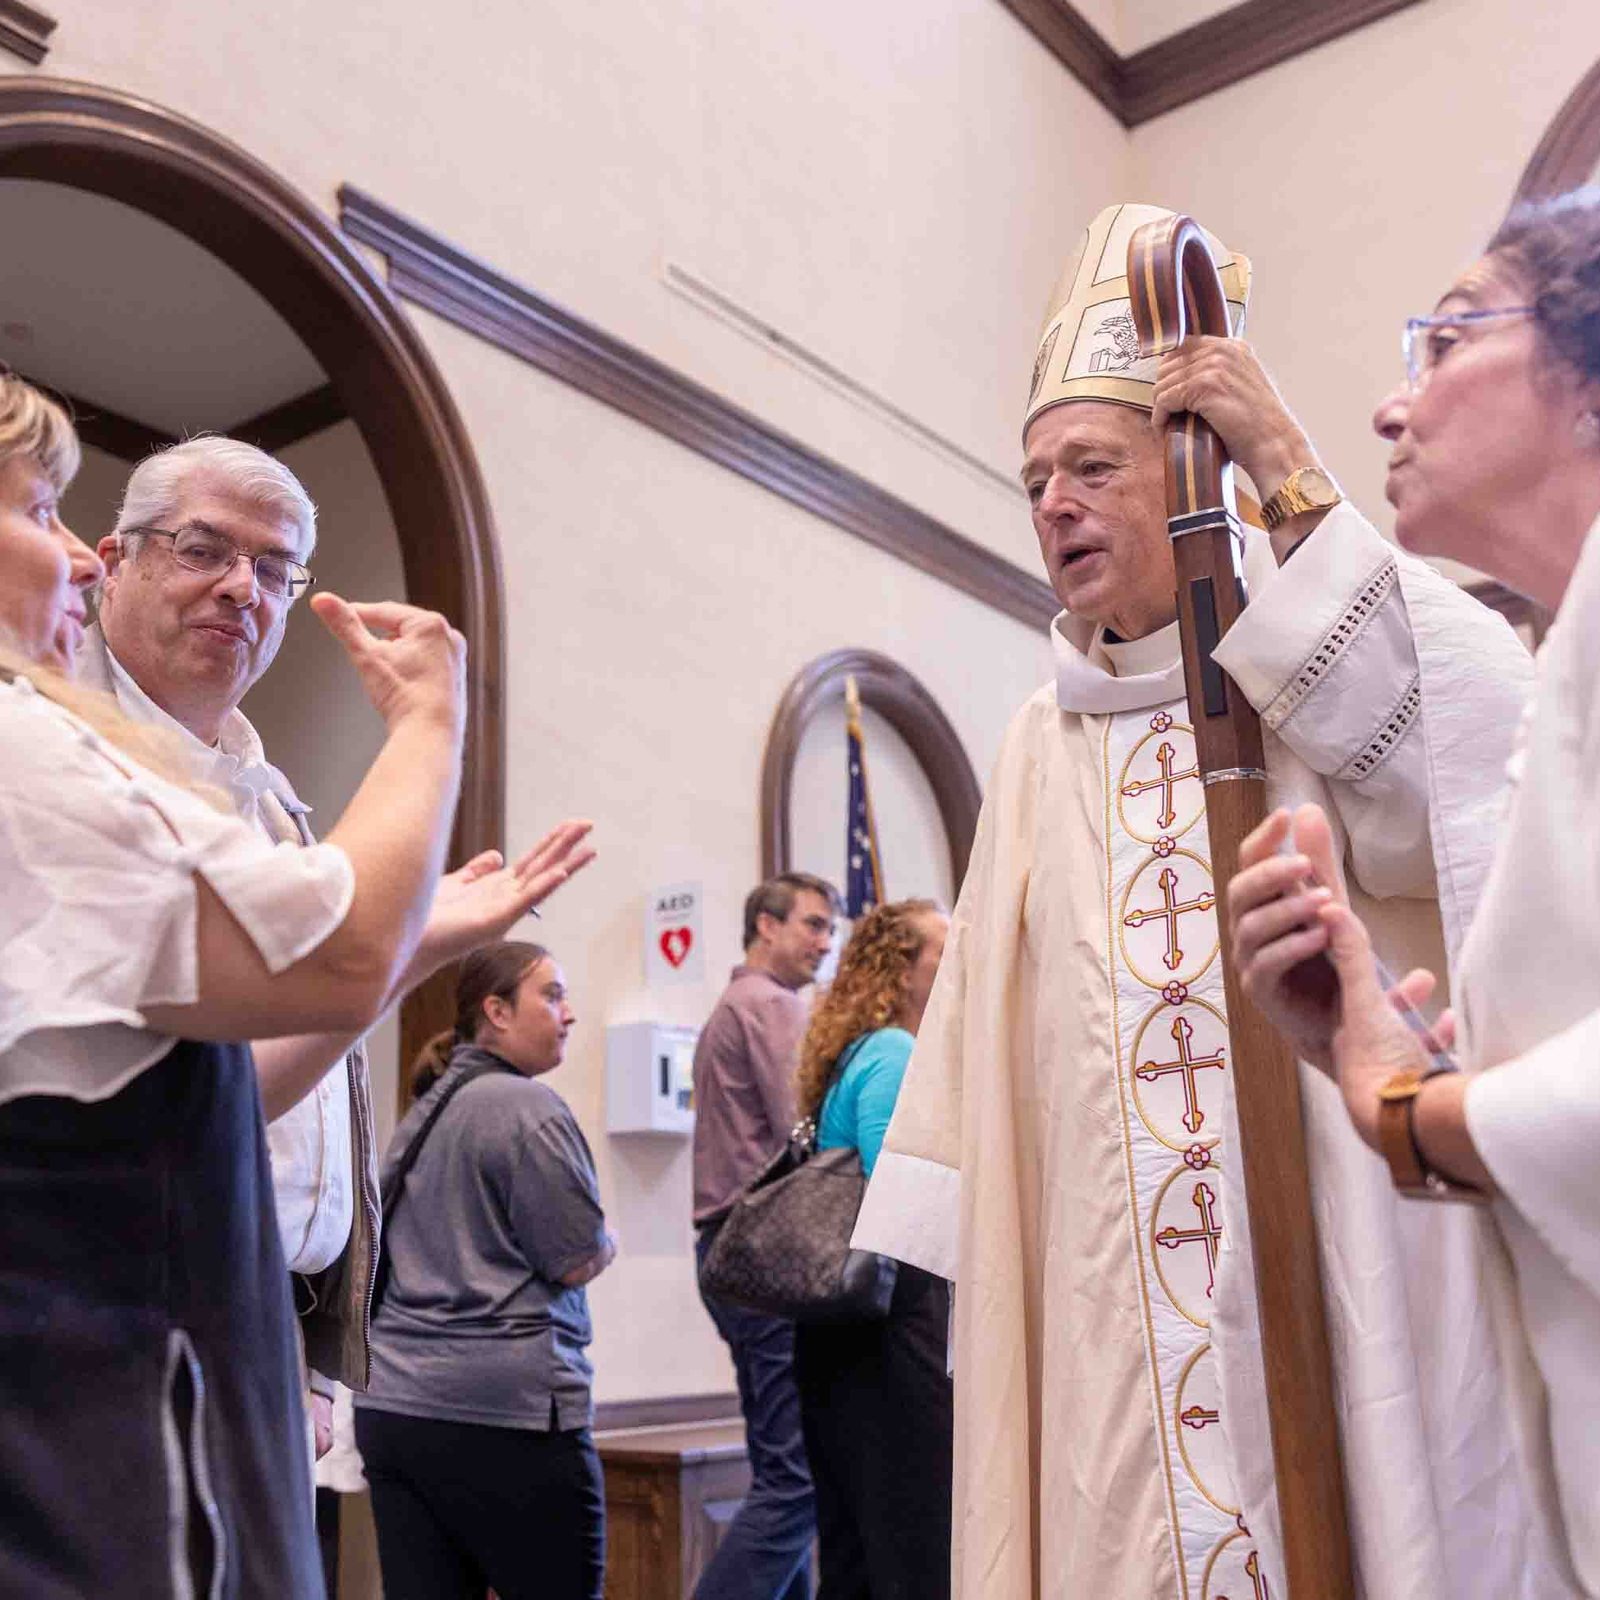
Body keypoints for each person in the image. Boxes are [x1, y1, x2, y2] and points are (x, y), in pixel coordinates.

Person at [850, 202, 1567, 1600]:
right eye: (1036, 477)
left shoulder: (1298, 667)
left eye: (1092, 465)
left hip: (1334, 1276)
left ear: (1196, 480)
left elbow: (1468, 789)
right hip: (1111, 1290)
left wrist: (1288, 467)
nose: (1052, 501)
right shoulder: (1028, 743)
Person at [0, 371, 588, 1596]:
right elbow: (334, 958)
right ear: (120, 559)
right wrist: (430, 727)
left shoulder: (267, 797)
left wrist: (310, 1345)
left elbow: (241, 1083)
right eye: (207, 550)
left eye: (274, 570)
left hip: (239, 1313)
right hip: (105, 1334)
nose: (243, 589)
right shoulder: (53, 749)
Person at [1229, 185, 1600, 1597]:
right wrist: (1373, 1039)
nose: (1395, 408)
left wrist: (1413, 1115)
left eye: (1445, 343)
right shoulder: (1573, 653)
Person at [354, 940, 613, 1600]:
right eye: (551, 995)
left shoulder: (426, 1109)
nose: (569, 1013)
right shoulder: (528, 1109)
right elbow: (576, 1257)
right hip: (505, 1414)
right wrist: (607, 1241)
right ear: (496, 1011)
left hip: (397, 1409)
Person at [792, 899, 953, 1600]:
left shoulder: (860, 1048)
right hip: (886, 1326)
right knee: (911, 1549)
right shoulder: (893, 1050)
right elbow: (897, 1184)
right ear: (902, 967)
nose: (959, 967)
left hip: (842, 1331)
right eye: (944, 953)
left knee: (857, 1556)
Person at [691, 870, 840, 1600]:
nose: (825, 941)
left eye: (829, 930)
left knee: (781, 1474)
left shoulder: (735, 1003)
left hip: (729, 1250)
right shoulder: (771, 1005)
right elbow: (806, 1127)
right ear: (767, 926)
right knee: (797, 1482)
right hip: (765, 1250)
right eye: (813, 924)